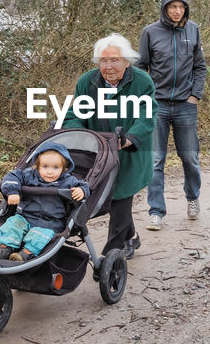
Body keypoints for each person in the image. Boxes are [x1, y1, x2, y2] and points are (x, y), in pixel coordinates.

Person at [62, 34, 158, 256]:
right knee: (106, 196)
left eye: (114, 60)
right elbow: (74, 113)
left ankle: (111, 253)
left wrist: (129, 138)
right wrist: (78, 134)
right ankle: (132, 238)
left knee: (120, 195)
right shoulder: (87, 82)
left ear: (126, 61)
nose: (109, 66)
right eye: (104, 61)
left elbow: (147, 116)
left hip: (130, 152)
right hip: (99, 151)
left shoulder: (142, 82)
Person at [137, 0, 207, 231]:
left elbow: (200, 67)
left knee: (190, 157)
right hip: (157, 106)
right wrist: (145, 97)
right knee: (155, 159)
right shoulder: (150, 32)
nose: (177, 11)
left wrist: (195, 95)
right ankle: (156, 211)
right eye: (173, 7)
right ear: (165, 8)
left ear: (185, 8)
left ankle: (193, 198)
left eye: (181, 7)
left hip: (185, 106)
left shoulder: (193, 30)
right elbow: (140, 68)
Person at [0, 142, 90, 261]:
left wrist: (81, 190)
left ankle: (24, 254)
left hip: (50, 222)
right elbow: (12, 176)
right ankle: (3, 250)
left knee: (39, 236)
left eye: (56, 167)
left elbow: (84, 185)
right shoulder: (29, 175)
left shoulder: (67, 180)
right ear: (37, 166)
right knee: (12, 225)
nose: (50, 172)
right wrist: (13, 191)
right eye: (45, 166)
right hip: (24, 216)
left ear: (64, 169)